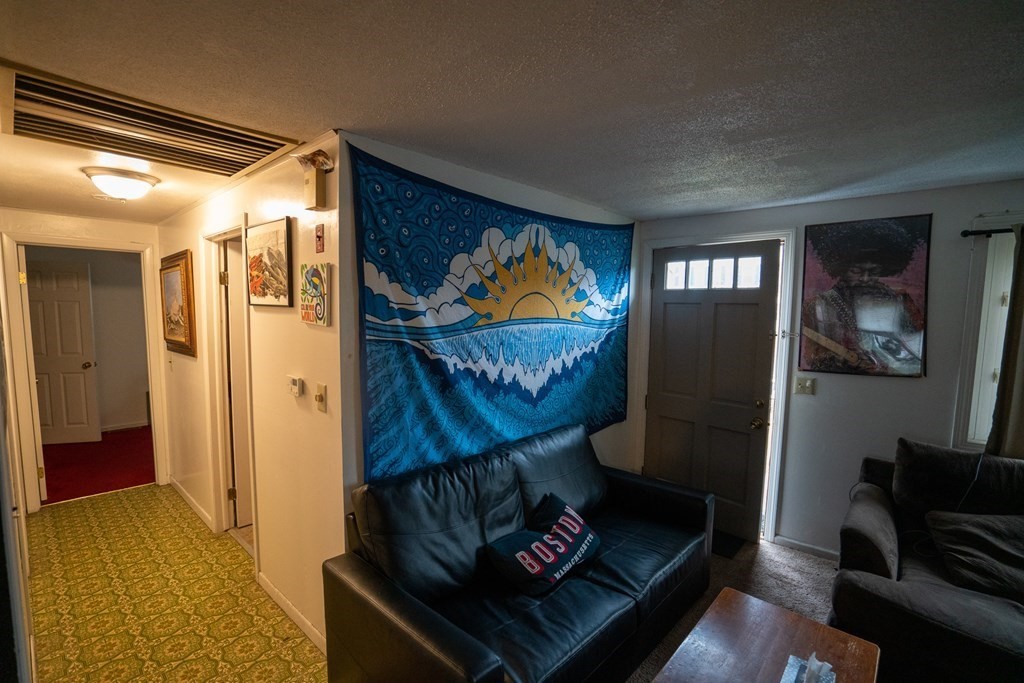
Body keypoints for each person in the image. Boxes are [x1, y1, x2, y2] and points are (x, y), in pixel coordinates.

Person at [801, 218, 927, 376]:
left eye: (874, 272)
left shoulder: (899, 299)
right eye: (857, 271)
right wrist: (844, 360)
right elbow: (812, 357)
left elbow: (917, 344)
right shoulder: (818, 304)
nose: (866, 279)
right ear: (843, 268)